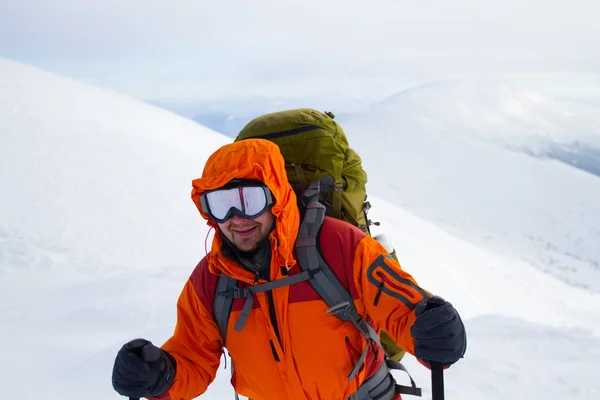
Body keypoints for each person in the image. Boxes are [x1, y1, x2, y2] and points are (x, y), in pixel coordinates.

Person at [111, 138, 467, 400]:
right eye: (220, 205)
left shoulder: (339, 246)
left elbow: (402, 310)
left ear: (277, 197)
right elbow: (192, 360)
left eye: (249, 200)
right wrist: (159, 375)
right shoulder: (211, 280)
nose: (237, 219)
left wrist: (432, 329)